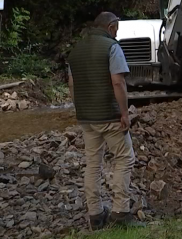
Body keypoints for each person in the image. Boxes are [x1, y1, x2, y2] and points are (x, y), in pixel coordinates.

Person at [67, 12, 142, 230]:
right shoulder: (111, 47)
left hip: (87, 118)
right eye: (116, 30)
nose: (116, 34)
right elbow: (118, 82)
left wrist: (79, 109)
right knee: (124, 158)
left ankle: (96, 215)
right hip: (109, 116)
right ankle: (120, 211)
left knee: (93, 163)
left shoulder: (76, 50)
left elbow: (72, 85)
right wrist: (124, 113)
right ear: (110, 27)